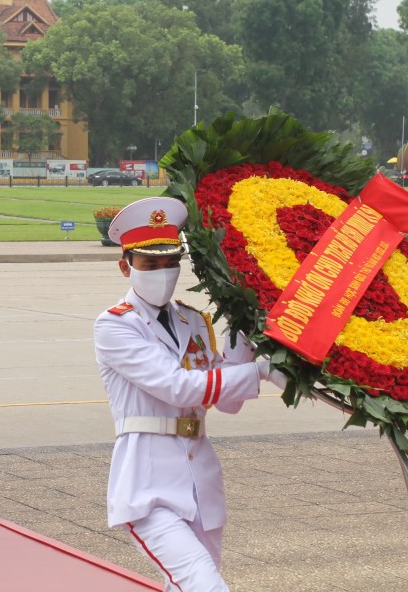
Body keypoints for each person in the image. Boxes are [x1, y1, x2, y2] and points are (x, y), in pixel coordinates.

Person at [94, 197, 282, 591]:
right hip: (150, 484)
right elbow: (177, 387)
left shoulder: (192, 320)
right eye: (150, 263)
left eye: (170, 262)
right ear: (125, 265)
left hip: (200, 479)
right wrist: (261, 370)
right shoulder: (116, 326)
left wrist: (242, 334)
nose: (163, 272)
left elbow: (226, 401)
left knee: (188, 584)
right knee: (204, 585)